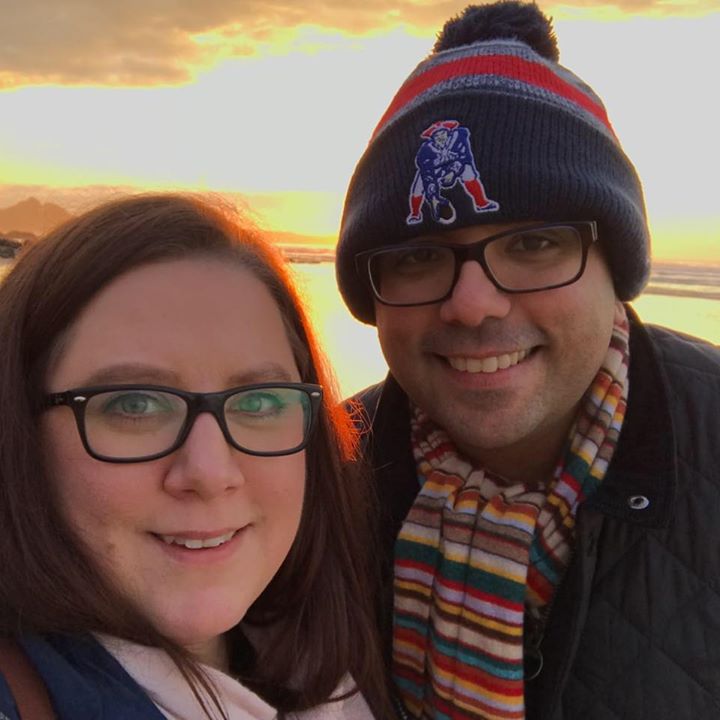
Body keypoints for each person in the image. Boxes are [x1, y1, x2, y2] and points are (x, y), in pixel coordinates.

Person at [335, 2, 720, 719]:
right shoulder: (313, 482)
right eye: (417, 256)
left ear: (615, 267)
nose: (473, 305)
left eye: (535, 244)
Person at [0, 194, 388, 719]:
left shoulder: (324, 668)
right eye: (134, 405)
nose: (210, 473)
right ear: (19, 434)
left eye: (259, 402)